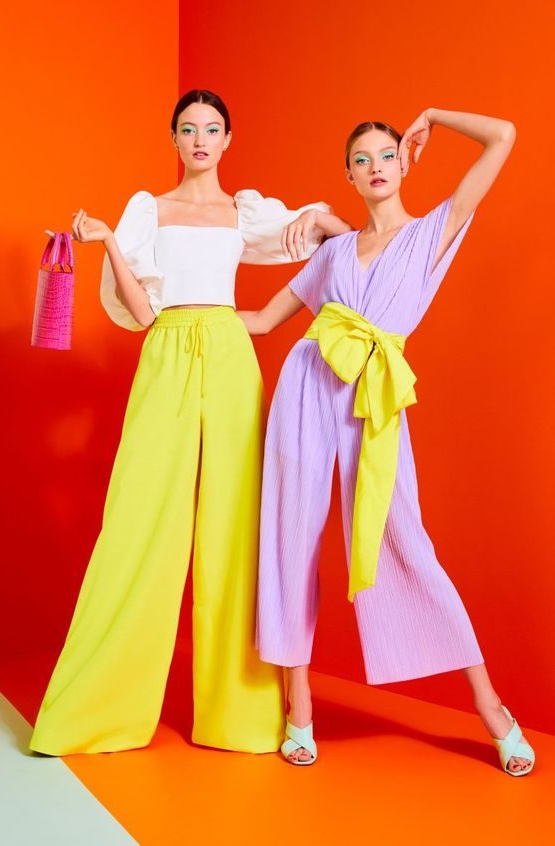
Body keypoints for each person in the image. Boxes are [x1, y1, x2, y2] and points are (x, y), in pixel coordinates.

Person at [29, 89, 351, 756]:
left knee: (237, 525)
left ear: (228, 139)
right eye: (187, 129)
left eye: (211, 129)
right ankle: (98, 708)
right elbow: (145, 312)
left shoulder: (245, 212)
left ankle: (240, 716)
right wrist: (109, 242)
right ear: (173, 138)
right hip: (167, 349)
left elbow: (338, 241)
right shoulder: (149, 210)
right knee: (140, 515)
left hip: (231, 354)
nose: (199, 139)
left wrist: (320, 213)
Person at [240, 108, 535, 775]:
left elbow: (503, 137)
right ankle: (299, 708)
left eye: (385, 155)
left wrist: (431, 117)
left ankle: (492, 709)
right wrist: (172, 307)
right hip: (306, 388)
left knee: (406, 541)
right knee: (289, 538)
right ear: (347, 175)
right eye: (361, 159)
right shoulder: (332, 252)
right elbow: (260, 320)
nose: (375, 167)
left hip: (374, 400)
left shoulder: (431, 232)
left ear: (404, 163)